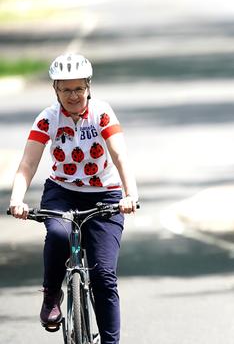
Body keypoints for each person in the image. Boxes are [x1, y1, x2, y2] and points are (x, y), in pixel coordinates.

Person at [8, 53, 138, 344]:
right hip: (62, 191)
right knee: (57, 234)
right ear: (55, 90)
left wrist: (130, 194)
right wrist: (18, 200)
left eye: (78, 88)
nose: (73, 95)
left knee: (104, 276)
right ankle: (52, 296)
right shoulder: (48, 118)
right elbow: (27, 165)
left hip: (105, 194)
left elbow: (119, 155)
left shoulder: (102, 114)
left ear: (89, 87)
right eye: (65, 89)